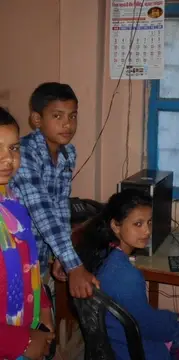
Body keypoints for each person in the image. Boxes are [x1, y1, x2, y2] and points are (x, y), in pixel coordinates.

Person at [76, 189, 179, 360]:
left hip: (113, 343)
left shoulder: (101, 254)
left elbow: (139, 314)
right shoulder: (126, 276)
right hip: (135, 351)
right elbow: (147, 326)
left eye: (149, 222)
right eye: (138, 224)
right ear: (115, 226)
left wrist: (176, 317)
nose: (147, 231)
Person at [9, 82, 99, 298]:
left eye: (72, 116)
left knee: (38, 319)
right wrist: (73, 265)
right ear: (37, 119)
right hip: (12, 254)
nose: (67, 124)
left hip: (38, 257)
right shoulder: (25, 153)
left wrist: (62, 254)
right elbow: (41, 210)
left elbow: (60, 206)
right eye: (57, 116)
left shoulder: (68, 154)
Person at [0, 107, 55, 360]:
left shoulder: (12, 203)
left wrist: (44, 311)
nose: (7, 159)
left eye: (13, 148)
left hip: (27, 327)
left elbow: (28, 266)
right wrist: (23, 342)